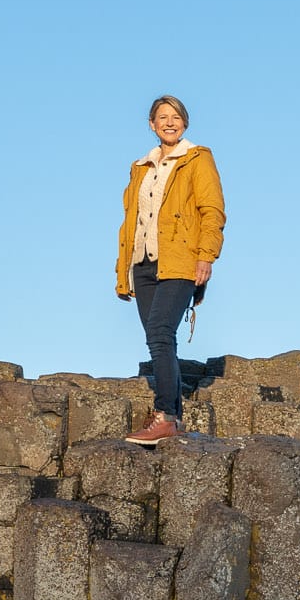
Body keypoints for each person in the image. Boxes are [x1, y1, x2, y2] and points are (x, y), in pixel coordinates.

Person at [115, 94, 226, 445]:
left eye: (175, 117)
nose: (169, 122)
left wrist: (206, 256)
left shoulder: (197, 158)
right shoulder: (140, 167)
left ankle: (164, 416)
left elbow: (212, 211)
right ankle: (172, 419)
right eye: (162, 117)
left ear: (185, 123)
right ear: (152, 124)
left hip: (180, 260)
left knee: (160, 333)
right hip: (143, 264)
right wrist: (123, 271)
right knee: (160, 339)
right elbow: (130, 221)